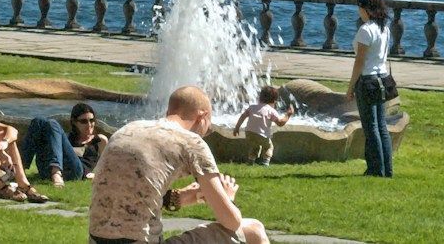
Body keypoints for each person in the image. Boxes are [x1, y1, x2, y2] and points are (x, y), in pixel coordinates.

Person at [87, 84, 269, 244]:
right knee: (253, 230)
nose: (205, 132)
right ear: (202, 116)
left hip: (96, 240)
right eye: (208, 126)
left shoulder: (126, 131)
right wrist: (228, 198)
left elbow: (129, 195)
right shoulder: (191, 142)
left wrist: (185, 197)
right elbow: (231, 222)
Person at [347, 0, 395, 177]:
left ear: (364, 8)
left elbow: (359, 62)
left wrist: (350, 87)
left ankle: (376, 169)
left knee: (371, 127)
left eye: (359, 7)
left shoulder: (366, 30)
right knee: (381, 126)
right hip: (382, 78)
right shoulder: (384, 27)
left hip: (367, 81)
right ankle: (387, 169)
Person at [20, 102, 106, 185]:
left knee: (53, 123)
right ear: (74, 122)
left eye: (92, 120)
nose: (89, 125)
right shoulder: (67, 138)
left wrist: (96, 175)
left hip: (75, 172)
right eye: (83, 121)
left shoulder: (99, 140)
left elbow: (106, 165)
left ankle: (56, 173)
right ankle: (19, 170)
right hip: (47, 171)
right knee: (38, 121)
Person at [232, 87, 295, 166]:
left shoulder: (252, 107)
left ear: (260, 97)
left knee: (254, 146)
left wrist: (237, 128)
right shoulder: (271, 111)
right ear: (274, 101)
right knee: (269, 147)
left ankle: (251, 161)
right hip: (262, 135)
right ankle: (265, 162)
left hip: (249, 133)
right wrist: (288, 115)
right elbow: (280, 123)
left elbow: (242, 116)